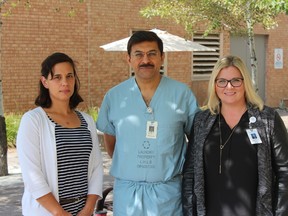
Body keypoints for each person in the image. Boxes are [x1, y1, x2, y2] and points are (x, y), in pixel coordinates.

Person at [96, 30, 199, 216]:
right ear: (129, 59)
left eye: (152, 54)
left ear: (162, 57)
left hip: (168, 194)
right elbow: (111, 143)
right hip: (128, 195)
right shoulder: (114, 97)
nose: (146, 60)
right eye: (139, 54)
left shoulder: (182, 94)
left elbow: (196, 140)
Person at [182, 55, 288, 216]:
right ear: (215, 85)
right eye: (222, 81)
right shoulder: (202, 121)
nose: (229, 87)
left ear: (245, 83)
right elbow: (190, 173)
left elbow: (284, 172)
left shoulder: (267, 119)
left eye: (236, 80)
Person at [17, 52, 103, 216]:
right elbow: (32, 175)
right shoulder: (33, 120)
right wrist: (59, 213)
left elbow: (97, 168)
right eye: (57, 77)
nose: (65, 82)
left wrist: (88, 208)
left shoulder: (87, 120)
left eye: (69, 76)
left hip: (83, 211)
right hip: (49, 212)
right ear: (45, 82)